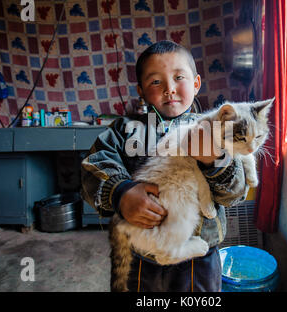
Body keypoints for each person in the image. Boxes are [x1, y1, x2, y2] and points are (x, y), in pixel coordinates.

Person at [81, 40, 248, 292]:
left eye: (179, 77)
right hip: (141, 254)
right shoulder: (125, 130)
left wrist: (215, 161)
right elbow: (93, 167)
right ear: (141, 90)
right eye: (156, 81)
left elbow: (235, 194)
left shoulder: (215, 130)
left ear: (196, 83)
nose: (169, 88)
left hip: (198, 255)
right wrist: (120, 192)